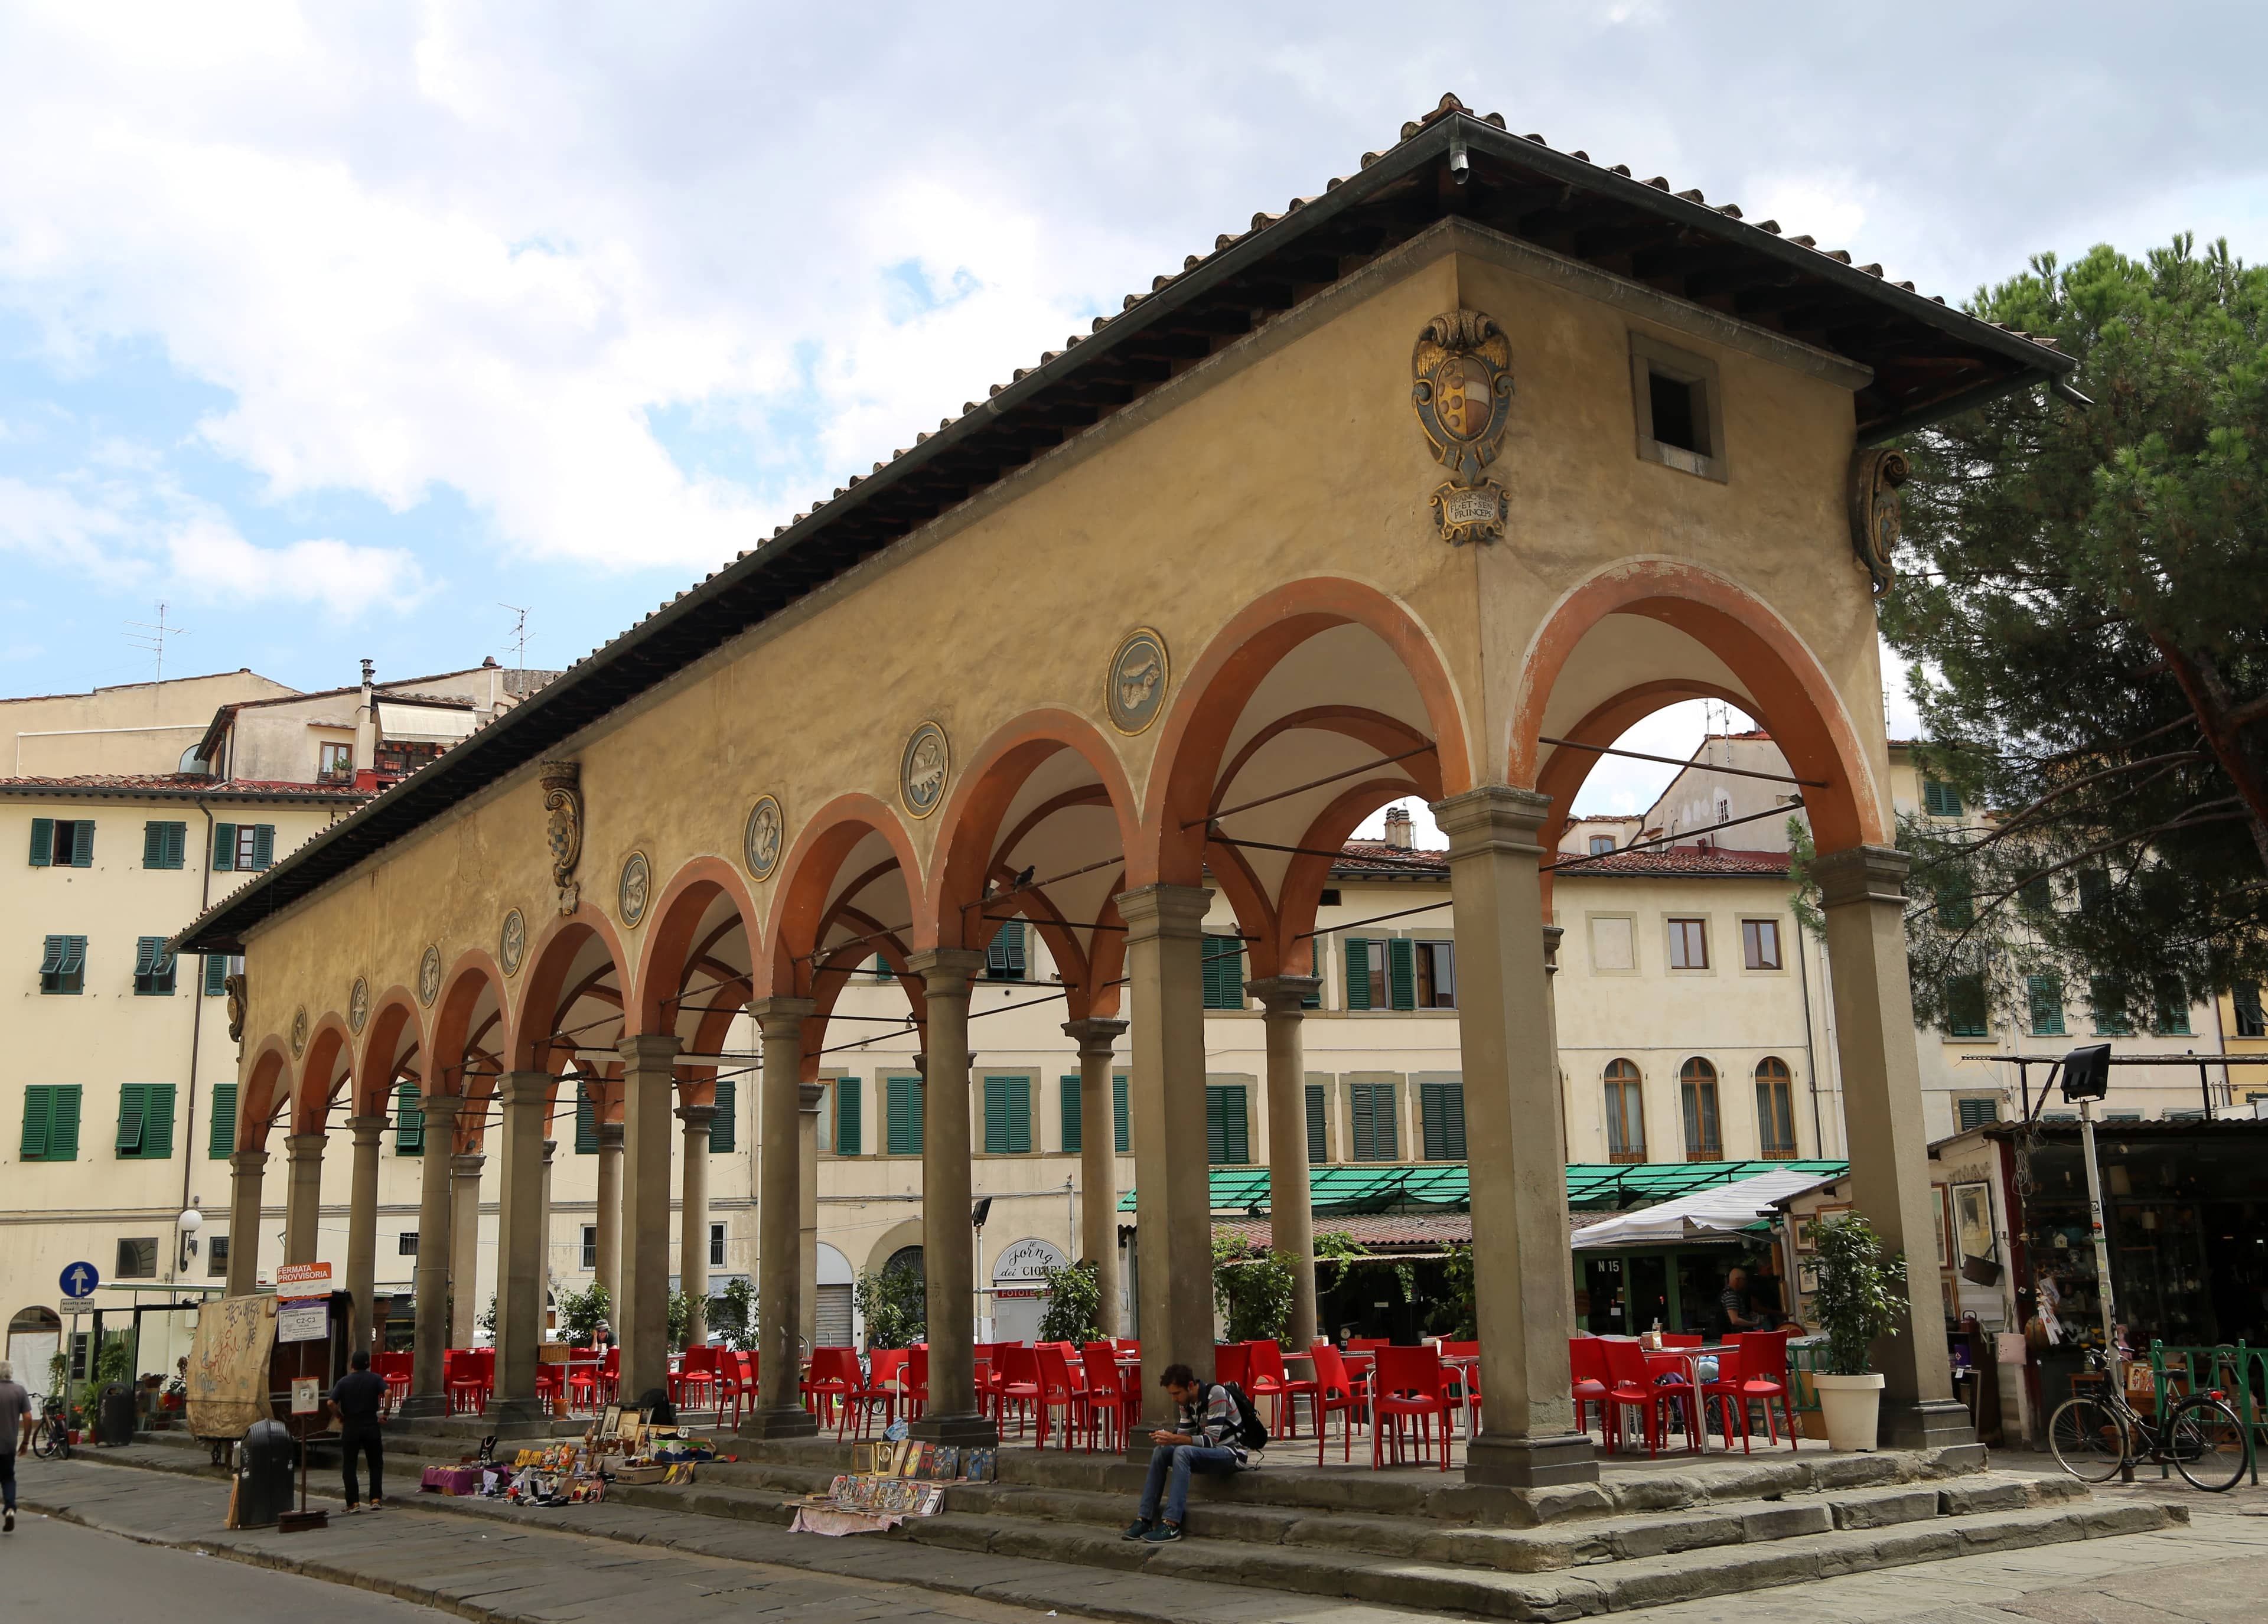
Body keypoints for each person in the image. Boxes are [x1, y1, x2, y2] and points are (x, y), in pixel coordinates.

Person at [1123, 1363, 1250, 1545]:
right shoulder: (1186, 1403)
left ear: (1190, 1386)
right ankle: (1144, 1519)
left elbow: (1210, 1441)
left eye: (1176, 1394)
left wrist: (1174, 1439)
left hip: (1231, 1454)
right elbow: (1184, 1434)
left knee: (1182, 1451)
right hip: (1209, 1453)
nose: (1174, 1399)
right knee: (1161, 1451)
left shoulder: (1217, 1395)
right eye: (1171, 1395)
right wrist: (1167, 1439)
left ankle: (1172, 1523)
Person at [327, 1349, 389, 1512]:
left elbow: (330, 1403)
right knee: (375, 1464)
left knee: (349, 1465)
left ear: (352, 1365)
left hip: (351, 1426)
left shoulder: (344, 1382)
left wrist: (339, 1416)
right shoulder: (375, 1378)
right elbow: (388, 1393)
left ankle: (353, 1503)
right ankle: (375, 1499)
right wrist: (386, 1414)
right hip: (371, 1425)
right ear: (368, 1365)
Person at [0, 1359, 28, 1533]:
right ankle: (10, 1508)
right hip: (9, 1444)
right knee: (8, 1477)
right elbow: (29, 1418)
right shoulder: (19, 1391)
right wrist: (25, 1442)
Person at [1719, 1267, 1763, 1335]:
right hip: (1739, 1335)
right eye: (1744, 1280)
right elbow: (1735, 1320)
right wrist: (1755, 1324)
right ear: (1738, 1280)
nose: (1745, 1283)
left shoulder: (1731, 1294)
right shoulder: (1731, 1295)